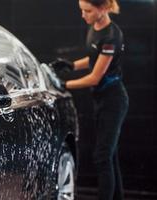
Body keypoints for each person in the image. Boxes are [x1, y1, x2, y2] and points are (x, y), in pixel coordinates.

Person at [49, 0, 129, 199]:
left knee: (102, 157)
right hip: (101, 100)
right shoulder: (95, 27)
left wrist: (64, 85)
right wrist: (71, 65)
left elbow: (95, 77)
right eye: (82, 10)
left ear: (103, 9)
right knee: (110, 156)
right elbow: (94, 57)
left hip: (113, 101)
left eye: (88, 11)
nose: (83, 15)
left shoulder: (112, 37)